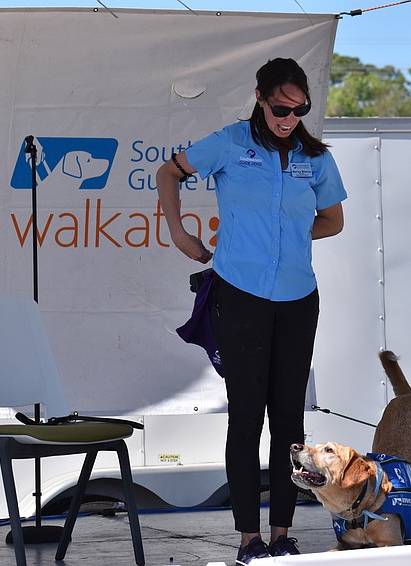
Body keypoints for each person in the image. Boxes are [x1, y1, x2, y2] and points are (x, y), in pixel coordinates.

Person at [156, 58, 347, 564]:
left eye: (299, 109)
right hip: (239, 295)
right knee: (245, 417)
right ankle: (248, 540)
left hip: (298, 299)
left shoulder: (315, 157)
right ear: (260, 98)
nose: (289, 118)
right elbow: (168, 173)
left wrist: (285, 237)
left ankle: (281, 535)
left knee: (289, 421)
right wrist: (179, 232)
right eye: (281, 108)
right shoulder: (230, 142)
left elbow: (333, 220)